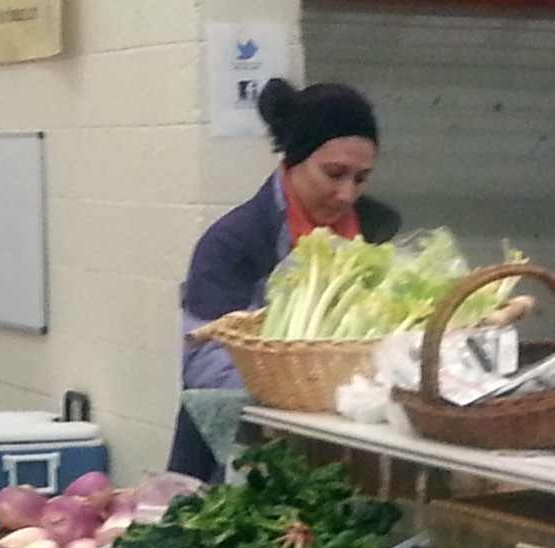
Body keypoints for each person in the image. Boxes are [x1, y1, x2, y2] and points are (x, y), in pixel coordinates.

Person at [169, 77, 400, 476]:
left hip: (350, 450)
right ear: (293, 162)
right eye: (334, 174)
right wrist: (304, 390)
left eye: (360, 178)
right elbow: (204, 361)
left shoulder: (378, 234)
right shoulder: (234, 242)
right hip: (242, 458)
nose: (347, 194)